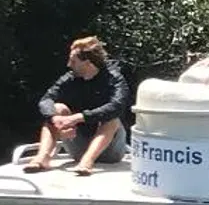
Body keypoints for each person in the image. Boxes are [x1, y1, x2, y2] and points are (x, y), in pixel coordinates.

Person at [25, 36, 131, 176]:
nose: (69, 64)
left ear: (87, 63)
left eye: (73, 61)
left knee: (112, 119)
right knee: (57, 108)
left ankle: (87, 162)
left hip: (110, 151)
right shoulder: (70, 78)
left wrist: (78, 118)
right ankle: (43, 158)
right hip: (78, 144)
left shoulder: (114, 79)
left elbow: (116, 107)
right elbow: (46, 99)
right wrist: (54, 119)